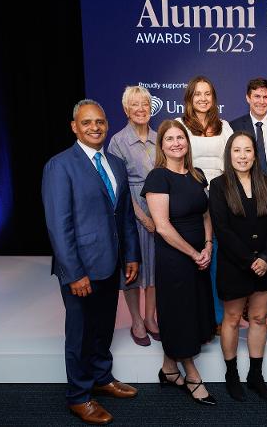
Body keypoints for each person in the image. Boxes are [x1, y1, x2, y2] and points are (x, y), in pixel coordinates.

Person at [42, 99, 140, 424]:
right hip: (80, 269)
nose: (94, 127)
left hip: (110, 263)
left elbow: (125, 216)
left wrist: (131, 255)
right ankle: (79, 396)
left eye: (100, 121)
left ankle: (101, 378)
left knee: (103, 326)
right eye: (87, 122)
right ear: (74, 127)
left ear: (107, 125)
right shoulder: (60, 166)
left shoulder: (116, 163)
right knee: (81, 334)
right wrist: (74, 273)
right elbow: (59, 226)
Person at [141, 119, 217, 406]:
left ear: (187, 142)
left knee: (189, 311)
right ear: (161, 146)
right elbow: (162, 227)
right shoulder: (158, 177)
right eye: (169, 139)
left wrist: (207, 245)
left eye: (180, 137)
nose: (176, 143)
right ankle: (193, 376)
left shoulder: (197, 174)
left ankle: (169, 369)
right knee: (180, 314)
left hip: (200, 256)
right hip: (175, 258)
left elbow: (205, 215)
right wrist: (194, 254)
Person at [209, 131, 267, 402]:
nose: (242, 156)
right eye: (237, 150)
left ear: (255, 155)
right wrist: (250, 260)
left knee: (259, 318)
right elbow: (222, 230)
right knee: (231, 319)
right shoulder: (218, 186)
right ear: (229, 154)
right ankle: (232, 375)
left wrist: (265, 257)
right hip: (234, 264)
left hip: (265, 263)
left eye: (247, 150)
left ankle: (255, 376)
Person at [177, 75, 234, 330]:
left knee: (217, 260)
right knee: (193, 259)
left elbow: (232, 163)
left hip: (221, 199)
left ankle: (219, 318)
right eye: (197, 94)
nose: (202, 98)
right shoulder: (179, 125)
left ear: (214, 98)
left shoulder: (225, 126)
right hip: (191, 198)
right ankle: (196, 318)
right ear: (189, 98)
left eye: (207, 93)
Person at [107, 85, 159, 347]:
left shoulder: (160, 137)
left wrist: (160, 216)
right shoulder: (117, 141)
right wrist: (144, 218)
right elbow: (120, 187)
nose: (141, 109)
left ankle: (150, 318)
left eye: (145, 104)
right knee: (133, 268)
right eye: (135, 104)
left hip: (159, 208)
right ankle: (136, 320)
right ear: (126, 110)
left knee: (156, 268)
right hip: (131, 212)